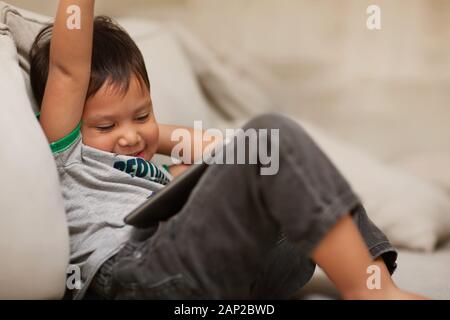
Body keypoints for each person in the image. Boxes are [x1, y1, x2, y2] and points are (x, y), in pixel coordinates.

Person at [30, 0, 425, 300]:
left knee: (304, 182)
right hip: (134, 276)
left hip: (217, 279)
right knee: (272, 135)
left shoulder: (148, 163)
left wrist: (154, 140)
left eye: (142, 114)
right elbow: (69, 68)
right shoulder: (71, 156)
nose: (129, 137)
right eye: (106, 125)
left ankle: (379, 282)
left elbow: (242, 154)